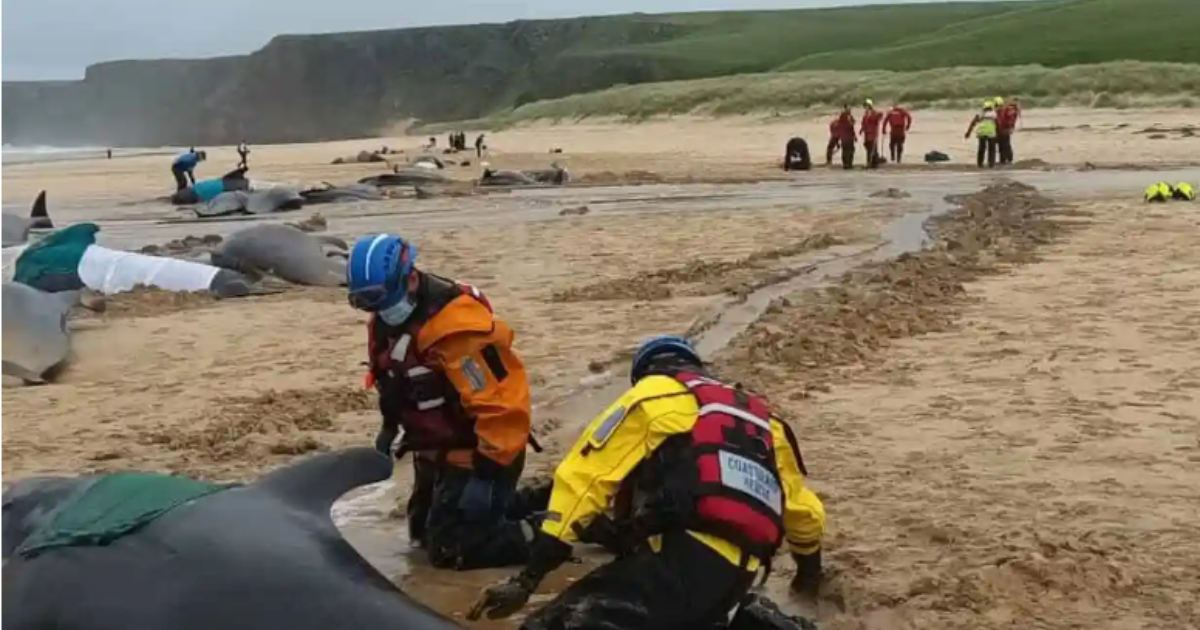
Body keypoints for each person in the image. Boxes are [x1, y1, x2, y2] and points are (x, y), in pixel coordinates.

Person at [468, 335, 827, 630]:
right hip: (745, 571)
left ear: (645, 374)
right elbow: (805, 514)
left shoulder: (652, 394)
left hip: (685, 557)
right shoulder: (765, 421)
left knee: (557, 624)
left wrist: (528, 579)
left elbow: (583, 478)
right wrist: (808, 577)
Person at [347, 233, 543, 569]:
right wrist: (388, 428)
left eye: (378, 298)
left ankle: (558, 530)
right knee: (421, 534)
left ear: (410, 278)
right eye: (362, 301)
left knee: (454, 550)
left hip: (483, 450)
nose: (374, 309)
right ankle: (530, 502)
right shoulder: (385, 321)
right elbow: (394, 382)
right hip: (436, 449)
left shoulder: (456, 331)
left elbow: (502, 405)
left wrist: (487, 472)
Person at [965, 100, 999, 169]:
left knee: (981, 149)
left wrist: (968, 133)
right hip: (991, 133)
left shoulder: (980, 114)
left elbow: (973, 123)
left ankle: (980, 164)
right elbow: (998, 124)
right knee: (991, 149)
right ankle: (991, 164)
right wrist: (998, 133)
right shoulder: (994, 114)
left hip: (981, 133)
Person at [995, 97, 1021, 165]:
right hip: (1004, 129)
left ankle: (1005, 160)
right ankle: (1006, 160)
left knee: (1004, 145)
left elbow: (1003, 120)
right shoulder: (1009, 110)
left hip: (1004, 129)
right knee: (1005, 145)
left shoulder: (1006, 110)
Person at [860, 99, 883, 169]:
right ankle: (870, 162)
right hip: (867, 134)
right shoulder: (866, 114)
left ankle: (873, 163)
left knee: (873, 148)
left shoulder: (874, 113)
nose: (865, 107)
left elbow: (879, 117)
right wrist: (862, 129)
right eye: (865, 106)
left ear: (870, 106)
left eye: (866, 105)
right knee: (868, 148)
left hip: (873, 133)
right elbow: (864, 123)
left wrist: (878, 116)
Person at [833, 104, 857, 170]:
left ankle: (848, 164)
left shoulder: (849, 116)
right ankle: (846, 164)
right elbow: (850, 124)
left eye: (850, 108)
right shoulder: (844, 115)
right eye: (849, 108)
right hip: (845, 136)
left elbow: (852, 125)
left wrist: (854, 136)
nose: (850, 109)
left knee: (850, 150)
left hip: (848, 136)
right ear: (845, 108)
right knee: (847, 150)